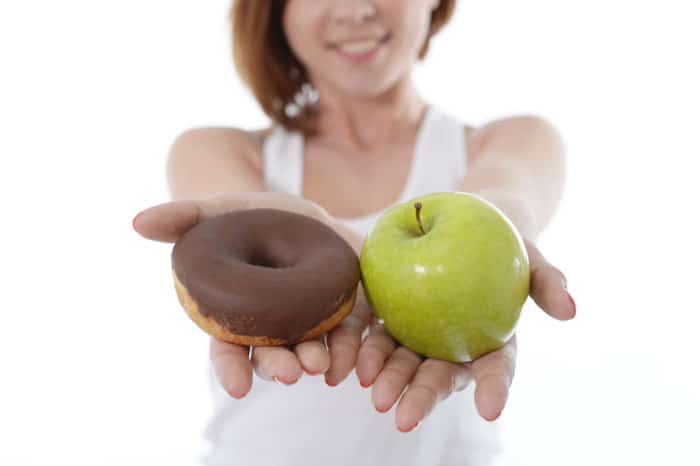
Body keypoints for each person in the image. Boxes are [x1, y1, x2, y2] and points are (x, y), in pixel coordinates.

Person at [132, 1, 576, 464]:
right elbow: (232, 233)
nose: (356, 10)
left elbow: (504, 200)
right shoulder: (219, 150)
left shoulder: (513, 140)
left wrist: (495, 249)